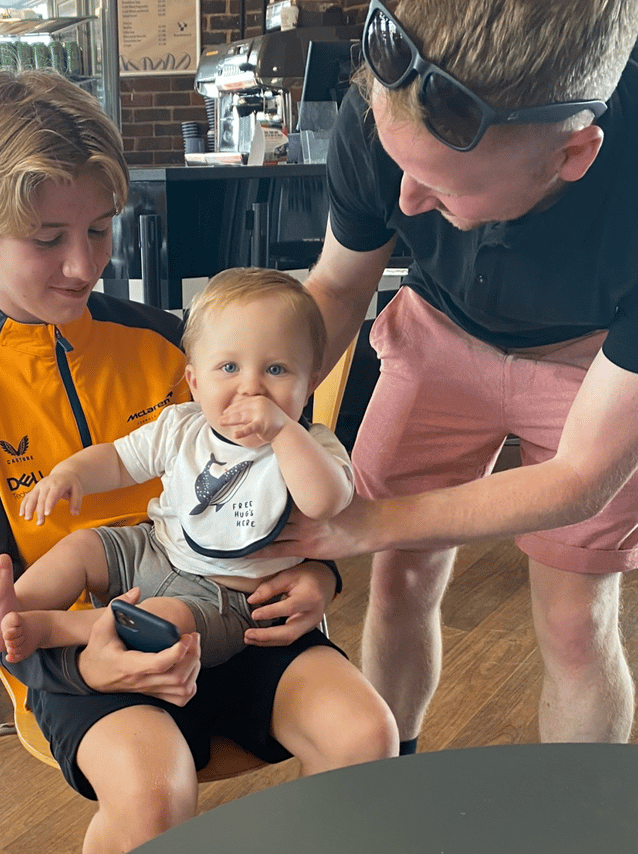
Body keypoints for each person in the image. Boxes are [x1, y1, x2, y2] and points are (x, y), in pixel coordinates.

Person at [0, 69, 398, 853]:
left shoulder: (177, 344)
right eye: (48, 240)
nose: (84, 267)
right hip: (72, 644)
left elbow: (296, 478)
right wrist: (87, 642)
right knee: (155, 793)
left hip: (237, 609)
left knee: (366, 736)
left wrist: (319, 576)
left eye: (100, 231)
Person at [264, 0, 638, 755]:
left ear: (573, 154)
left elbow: (582, 476)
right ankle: (389, 783)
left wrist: (366, 523)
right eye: (401, 164)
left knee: (573, 620)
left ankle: (581, 831)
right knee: (399, 583)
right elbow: (339, 286)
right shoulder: (380, 115)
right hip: (441, 331)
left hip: (594, 358)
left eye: (440, 184)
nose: (406, 203)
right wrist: (256, 395)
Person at [0, 268, 354, 666]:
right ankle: (15, 606)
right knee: (83, 546)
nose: (251, 387)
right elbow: (118, 460)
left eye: (276, 370)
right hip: (155, 548)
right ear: (195, 381)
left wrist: (284, 433)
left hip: (225, 600)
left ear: (310, 384)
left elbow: (326, 502)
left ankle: (49, 629)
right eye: (229, 368)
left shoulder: (311, 445)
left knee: (165, 620)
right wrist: (70, 474)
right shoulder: (182, 425)